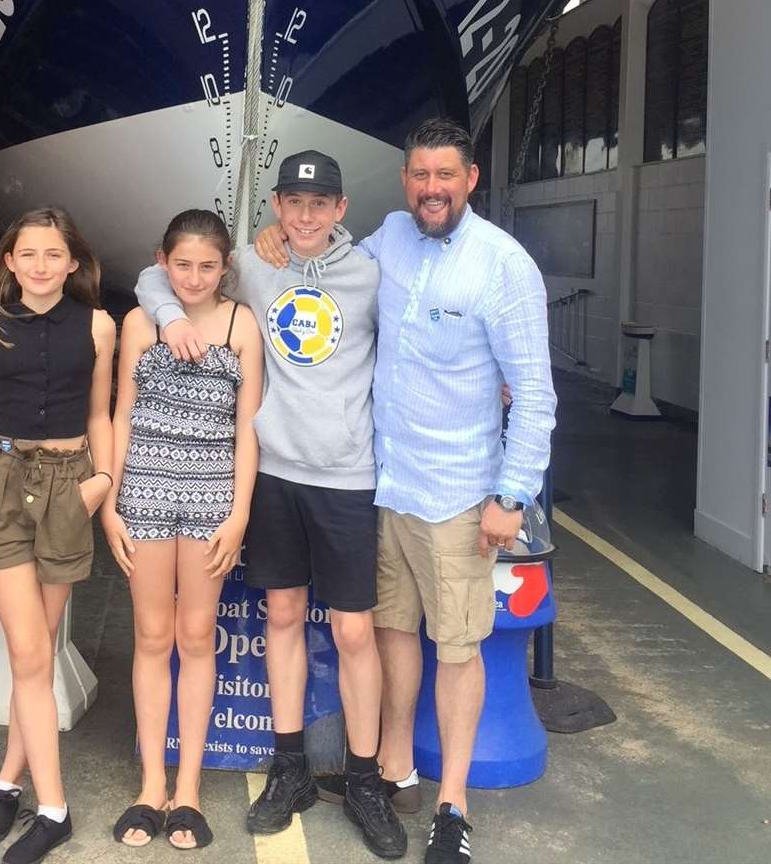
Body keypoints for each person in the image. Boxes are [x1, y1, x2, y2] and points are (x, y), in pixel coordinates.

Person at [256, 118, 556, 864]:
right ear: (404, 182)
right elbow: (316, 246)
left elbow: (538, 394)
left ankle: (452, 806)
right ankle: (394, 767)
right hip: (385, 484)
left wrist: (511, 494)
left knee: (459, 648)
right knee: (391, 633)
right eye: (420, 175)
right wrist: (274, 242)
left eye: (444, 176)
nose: (431, 189)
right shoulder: (386, 239)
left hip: (460, 494)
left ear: (470, 179)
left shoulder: (503, 266)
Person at [136, 153, 407, 860]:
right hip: (276, 473)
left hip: (348, 474)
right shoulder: (255, 267)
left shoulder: (372, 274)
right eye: (294, 202)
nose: (307, 216)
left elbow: (418, 337)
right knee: (283, 614)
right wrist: (167, 315)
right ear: (278, 207)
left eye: (320, 203)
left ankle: (364, 776)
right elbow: (151, 274)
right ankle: (290, 766)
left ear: (342, 208)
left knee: (354, 630)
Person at [0, 208, 116, 864]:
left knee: (38, 654)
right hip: (2, 483)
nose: (42, 264)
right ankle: (54, 808)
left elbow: (101, 413)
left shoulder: (100, 326)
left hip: (69, 483)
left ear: (73, 261)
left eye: (55, 254)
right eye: (30, 254)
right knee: (28, 652)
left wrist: (103, 479)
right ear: (10, 262)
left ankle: (6, 781)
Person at [104, 209, 263, 850]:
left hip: (210, 500)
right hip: (143, 493)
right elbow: (121, 414)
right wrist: (112, 502)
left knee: (197, 637)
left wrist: (240, 512)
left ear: (226, 268)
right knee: (150, 635)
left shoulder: (239, 324)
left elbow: (248, 429)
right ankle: (150, 784)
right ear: (160, 262)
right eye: (182, 264)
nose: (194, 277)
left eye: (207, 266)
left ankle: (188, 790)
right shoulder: (139, 322)